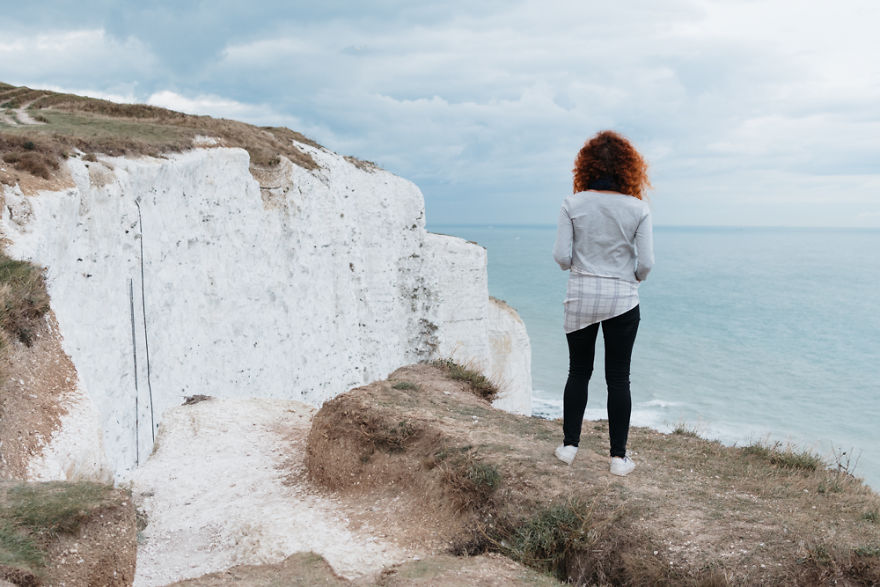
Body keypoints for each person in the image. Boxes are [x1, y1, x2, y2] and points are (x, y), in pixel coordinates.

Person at [551, 130, 654, 477]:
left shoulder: (572, 204)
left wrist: (578, 266)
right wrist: (633, 276)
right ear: (630, 168)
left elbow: (561, 257)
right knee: (618, 378)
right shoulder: (638, 209)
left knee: (578, 372)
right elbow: (646, 263)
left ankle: (568, 447)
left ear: (586, 165)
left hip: (581, 294)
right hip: (622, 298)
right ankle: (618, 459)